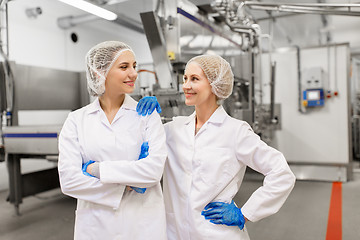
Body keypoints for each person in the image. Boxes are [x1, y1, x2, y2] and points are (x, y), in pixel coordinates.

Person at [137, 54, 296, 239]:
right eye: (185, 79)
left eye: (194, 79)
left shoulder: (236, 132)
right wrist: (146, 119)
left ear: (215, 85)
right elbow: (137, 148)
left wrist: (245, 213)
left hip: (216, 233)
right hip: (175, 233)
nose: (186, 86)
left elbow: (282, 173)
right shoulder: (172, 130)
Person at [58, 41, 167, 240]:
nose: (134, 73)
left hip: (142, 224)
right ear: (100, 72)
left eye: (134, 66)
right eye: (124, 67)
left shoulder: (146, 115)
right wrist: (125, 184)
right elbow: (68, 181)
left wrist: (98, 170)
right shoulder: (76, 120)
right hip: (95, 226)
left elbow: (153, 172)